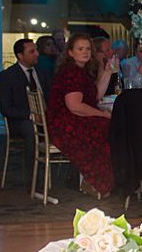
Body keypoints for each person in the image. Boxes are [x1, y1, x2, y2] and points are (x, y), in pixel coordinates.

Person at [48, 32, 115, 198]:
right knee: (107, 128)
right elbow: (74, 106)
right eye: (80, 49)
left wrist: (107, 72)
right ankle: (97, 180)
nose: (85, 52)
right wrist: (102, 114)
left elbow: (95, 96)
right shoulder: (72, 73)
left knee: (111, 126)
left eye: (88, 49)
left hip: (72, 118)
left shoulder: (80, 71)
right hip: (65, 123)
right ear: (70, 52)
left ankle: (98, 180)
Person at [0, 38, 46, 184]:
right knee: (31, 129)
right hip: (21, 121)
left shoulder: (43, 73)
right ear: (20, 55)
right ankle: (32, 178)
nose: (37, 54)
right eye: (32, 51)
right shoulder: (7, 76)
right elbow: (6, 108)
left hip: (45, 117)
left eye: (36, 50)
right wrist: (31, 115)